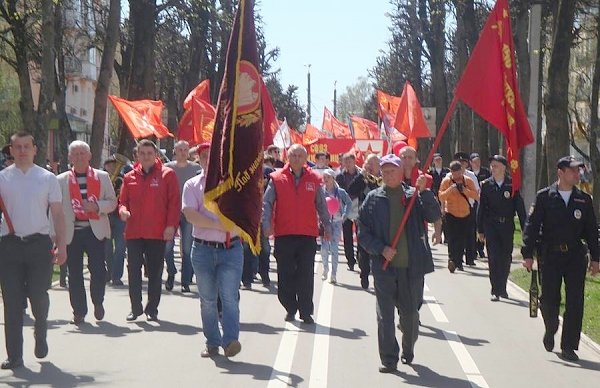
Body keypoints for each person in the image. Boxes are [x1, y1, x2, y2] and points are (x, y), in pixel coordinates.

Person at [358, 154, 441, 372]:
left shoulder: (413, 195)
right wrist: (380, 249)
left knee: (410, 315)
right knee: (385, 316)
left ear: (401, 170)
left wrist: (425, 192)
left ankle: (408, 345)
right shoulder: (373, 199)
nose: (388, 174)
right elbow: (363, 232)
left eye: (392, 170)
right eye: (384, 171)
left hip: (411, 268)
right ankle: (389, 359)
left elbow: (433, 215)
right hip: (384, 268)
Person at [522, 155, 599, 362]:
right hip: (550, 255)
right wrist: (527, 253)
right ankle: (551, 328)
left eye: (578, 170)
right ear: (561, 172)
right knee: (549, 299)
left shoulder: (583, 199)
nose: (577, 174)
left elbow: (591, 230)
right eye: (573, 170)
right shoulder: (545, 197)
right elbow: (531, 226)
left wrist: (596, 258)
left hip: (575, 256)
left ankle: (568, 346)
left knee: (575, 301)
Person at [0, 132, 67, 370]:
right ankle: (14, 356)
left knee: (38, 296)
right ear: (11, 150)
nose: (21, 151)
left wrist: (62, 244)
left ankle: (40, 330)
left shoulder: (47, 178)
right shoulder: (3, 178)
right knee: (12, 301)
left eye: (26, 146)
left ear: (35, 149)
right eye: (17, 147)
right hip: (9, 245)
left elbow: (58, 214)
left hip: (39, 245)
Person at [181, 154, 244, 359]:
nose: (209, 160)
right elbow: (190, 215)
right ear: (199, 160)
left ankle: (230, 341)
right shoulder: (192, 185)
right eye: (204, 157)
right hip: (203, 250)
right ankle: (212, 343)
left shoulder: (235, 184)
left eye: (214, 155)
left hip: (231, 249)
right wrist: (219, 225)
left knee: (229, 298)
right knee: (208, 300)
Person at [263, 144, 332, 324]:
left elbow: (322, 206)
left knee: (305, 274)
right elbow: (267, 203)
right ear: (288, 157)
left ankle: (305, 311)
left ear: (305, 158)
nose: (296, 159)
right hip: (284, 234)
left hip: (307, 234)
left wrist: (327, 226)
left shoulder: (315, 179)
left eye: (300, 156)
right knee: (285, 274)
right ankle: (289, 307)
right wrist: (266, 223)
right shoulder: (276, 178)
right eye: (293, 155)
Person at [119, 139, 181, 322]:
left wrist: (171, 226)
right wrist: (122, 211)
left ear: (156, 156)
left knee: (155, 272)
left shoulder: (167, 175)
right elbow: (123, 201)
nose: (146, 157)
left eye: (149, 154)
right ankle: (135, 307)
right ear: (137, 156)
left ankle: (152, 308)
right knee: (133, 271)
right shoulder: (129, 177)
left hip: (157, 232)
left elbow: (174, 203)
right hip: (134, 233)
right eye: (142, 153)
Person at [57, 141, 117, 324]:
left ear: (90, 156)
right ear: (69, 157)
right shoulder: (61, 180)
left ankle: (98, 301)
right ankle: (79, 311)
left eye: (82, 153)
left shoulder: (102, 176)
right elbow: (55, 210)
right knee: (73, 273)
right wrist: (55, 235)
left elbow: (113, 202)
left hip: (95, 230)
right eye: (75, 154)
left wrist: (97, 206)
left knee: (98, 270)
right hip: (72, 232)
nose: (79, 157)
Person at [477, 155, 526, 301]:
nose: (493, 168)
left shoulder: (512, 185)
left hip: (507, 225)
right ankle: (495, 289)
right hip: (491, 225)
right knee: (493, 257)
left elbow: (520, 209)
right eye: (492, 166)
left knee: (505, 257)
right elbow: (481, 209)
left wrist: (526, 230)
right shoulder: (486, 185)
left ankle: (503, 286)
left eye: (496, 166)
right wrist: (480, 230)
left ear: (504, 168)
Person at [164, 140, 202, 292]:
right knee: (167, 246)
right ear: (175, 151)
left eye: (185, 150)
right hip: (170, 212)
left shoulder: (196, 168)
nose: (183, 152)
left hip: (189, 212)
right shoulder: (167, 168)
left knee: (187, 248)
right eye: (180, 149)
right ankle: (171, 272)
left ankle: (186, 280)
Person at [347, 153, 382, 289]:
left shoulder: (383, 177)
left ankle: (378, 277)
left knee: (378, 248)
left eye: (374, 164)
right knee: (363, 249)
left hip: (379, 219)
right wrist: (362, 175)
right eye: (369, 163)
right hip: (363, 218)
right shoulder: (362, 178)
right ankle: (364, 273)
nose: (371, 166)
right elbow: (351, 190)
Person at [438, 161, 479, 272]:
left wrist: (465, 190)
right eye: (454, 173)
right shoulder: (446, 181)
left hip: (465, 213)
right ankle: (452, 260)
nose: (457, 176)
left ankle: (459, 261)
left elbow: (476, 195)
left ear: (461, 171)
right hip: (451, 213)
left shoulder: (468, 180)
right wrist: (450, 189)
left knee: (461, 238)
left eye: (459, 172)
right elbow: (441, 196)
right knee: (452, 238)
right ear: (451, 172)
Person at [320, 169, 352, 284]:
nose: (326, 179)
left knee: (334, 248)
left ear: (333, 178)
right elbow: (316, 204)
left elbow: (349, 203)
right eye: (324, 177)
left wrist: (345, 215)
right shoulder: (320, 191)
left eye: (328, 177)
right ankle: (325, 269)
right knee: (324, 249)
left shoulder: (340, 192)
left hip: (337, 222)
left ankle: (333, 273)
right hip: (324, 223)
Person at [451, 152, 480, 265]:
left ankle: (470, 257)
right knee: (457, 235)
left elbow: (477, 192)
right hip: (454, 208)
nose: (462, 165)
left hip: (469, 207)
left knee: (470, 233)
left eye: (464, 163)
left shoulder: (471, 176)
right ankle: (457, 259)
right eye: (460, 163)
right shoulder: (449, 176)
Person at [336, 152, 362, 272]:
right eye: (345, 161)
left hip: (359, 206)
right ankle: (350, 260)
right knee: (347, 235)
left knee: (360, 234)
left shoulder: (361, 174)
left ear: (354, 161)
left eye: (349, 161)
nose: (347, 163)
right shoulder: (340, 176)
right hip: (345, 206)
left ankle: (361, 258)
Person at [103, 156, 127, 286]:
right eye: (109, 165)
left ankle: (116, 276)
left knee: (120, 248)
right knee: (106, 247)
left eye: (114, 165)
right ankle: (109, 272)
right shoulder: (100, 178)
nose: (112, 167)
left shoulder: (122, 180)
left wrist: (118, 193)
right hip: (105, 216)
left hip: (119, 216)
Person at [470, 153, 491, 258]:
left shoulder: (486, 172)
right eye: (474, 161)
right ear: (471, 163)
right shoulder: (468, 173)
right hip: (472, 202)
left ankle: (480, 248)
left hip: (482, 202)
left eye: (478, 161)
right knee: (472, 226)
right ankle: (472, 249)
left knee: (481, 226)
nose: (477, 163)